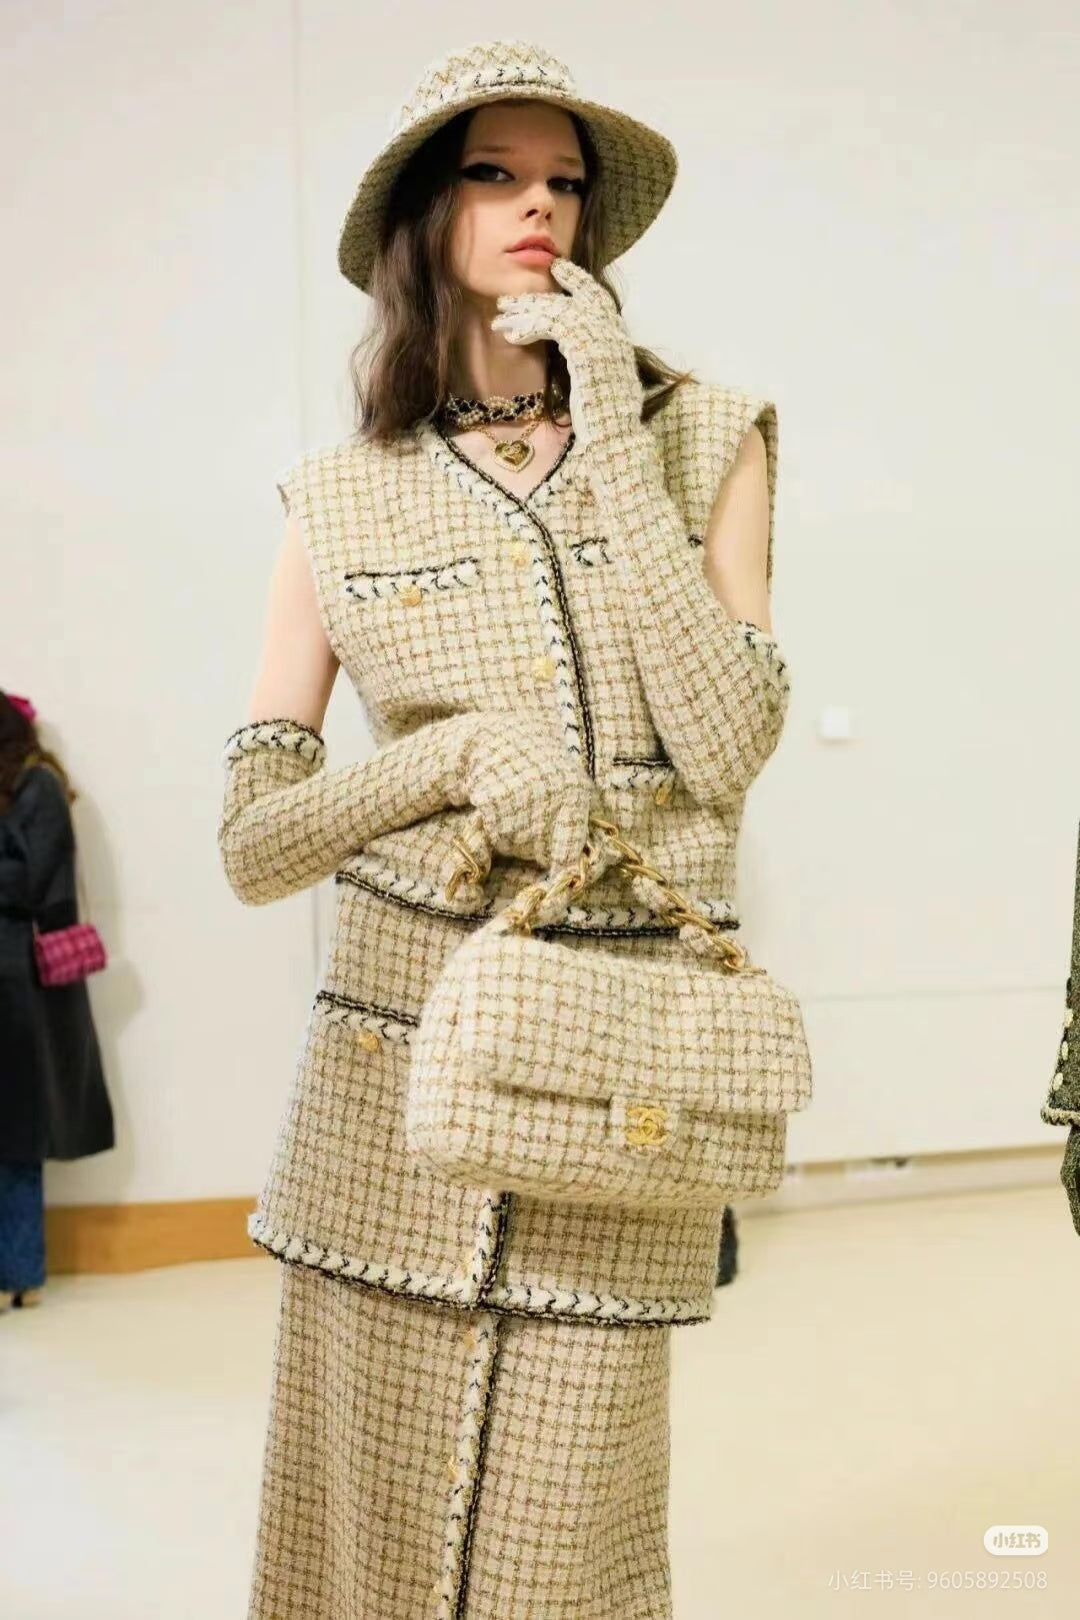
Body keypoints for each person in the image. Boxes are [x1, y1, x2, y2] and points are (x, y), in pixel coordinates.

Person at [219, 39, 789, 1619]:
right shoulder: (339, 497)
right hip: (388, 1094)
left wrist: (610, 423)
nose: (539, 205)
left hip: (622, 1079)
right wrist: (450, 758)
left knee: (570, 1549)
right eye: (495, 173)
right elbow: (257, 844)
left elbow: (725, 746)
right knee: (361, 1545)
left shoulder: (708, 434)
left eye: (563, 182)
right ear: (428, 211)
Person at [0, 690, 115, 1312]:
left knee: (15, 1131)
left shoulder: (36, 785)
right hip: (11, 973)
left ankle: (19, 1274)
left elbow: (43, 885)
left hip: (19, 979)